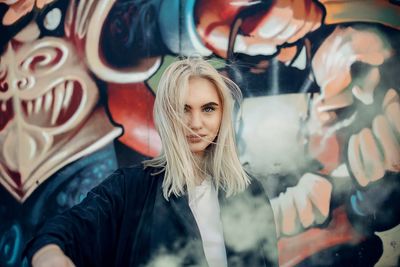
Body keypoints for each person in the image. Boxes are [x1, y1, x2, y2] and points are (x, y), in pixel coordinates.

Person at [24, 57, 278, 267]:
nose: (196, 123)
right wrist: (49, 255)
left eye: (208, 108)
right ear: (167, 115)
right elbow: (63, 230)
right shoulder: (131, 188)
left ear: (223, 114)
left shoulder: (247, 190)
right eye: (183, 109)